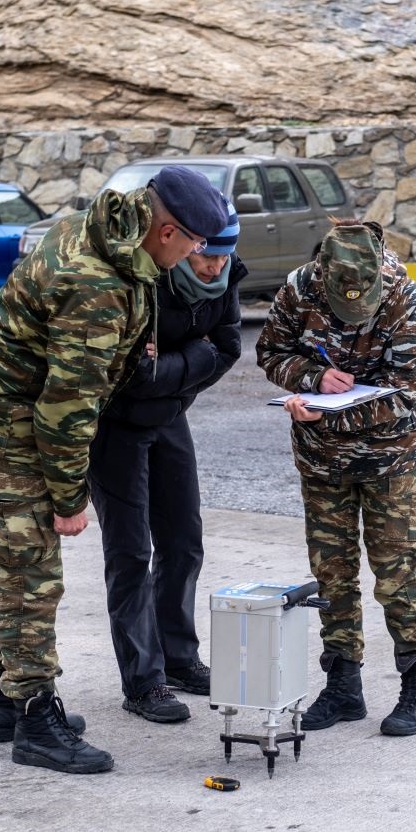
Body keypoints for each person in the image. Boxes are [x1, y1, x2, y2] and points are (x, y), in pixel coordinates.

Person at [0, 165, 227, 774]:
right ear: (168, 230)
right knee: (31, 565)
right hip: (3, 418)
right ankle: (37, 719)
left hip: (1, 402)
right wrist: (70, 499)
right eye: (197, 243)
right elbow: (66, 409)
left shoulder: (104, 232)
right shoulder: (96, 283)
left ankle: (2, 698)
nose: (200, 254)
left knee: (9, 559)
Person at [255, 219, 416, 737]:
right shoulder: (300, 287)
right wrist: (310, 379)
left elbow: (403, 392)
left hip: (390, 461)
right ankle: (342, 686)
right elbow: (271, 352)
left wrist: (328, 411)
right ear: (326, 273)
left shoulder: (407, 300)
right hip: (321, 462)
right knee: (332, 575)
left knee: (396, 573)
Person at [87, 202, 245, 725]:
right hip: (117, 424)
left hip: (171, 416)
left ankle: (178, 658)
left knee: (183, 543)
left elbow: (226, 350)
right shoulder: (148, 279)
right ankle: (144, 681)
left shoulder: (225, 281)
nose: (215, 269)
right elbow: (131, 371)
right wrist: (187, 361)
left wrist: (170, 369)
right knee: (131, 552)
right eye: (208, 258)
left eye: (224, 259)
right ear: (188, 247)